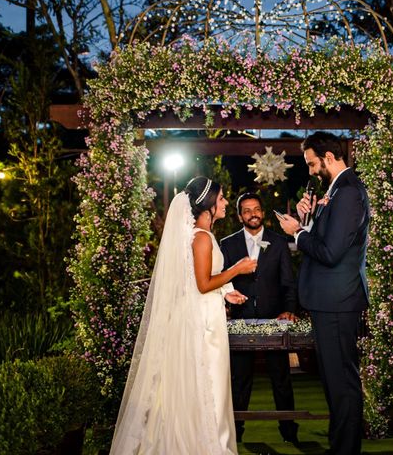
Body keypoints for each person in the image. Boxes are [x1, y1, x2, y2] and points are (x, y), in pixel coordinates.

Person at [110, 176, 257, 455]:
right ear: (209, 205)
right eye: (223, 198)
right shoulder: (201, 237)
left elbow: (196, 282)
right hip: (201, 325)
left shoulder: (201, 235)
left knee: (209, 386)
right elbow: (202, 284)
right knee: (209, 385)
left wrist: (226, 292)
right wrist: (237, 269)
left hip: (206, 315)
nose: (226, 203)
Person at [276, 132, 369, 455]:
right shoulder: (335, 192)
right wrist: (308, 217)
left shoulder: (348, 193)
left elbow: (329, 253)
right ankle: (339, 447)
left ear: (329, 157)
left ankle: (345, 451)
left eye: (313, 163)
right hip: (327, 301)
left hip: (337, 301)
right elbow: (327, 240)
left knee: (342, 381)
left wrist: (297, 233)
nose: (312, 171)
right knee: (332, 381)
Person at [220, 192, 299, 444]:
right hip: (241, 321)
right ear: (239, 215)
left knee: (281, 378)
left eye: (256, 209)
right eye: (246, 210)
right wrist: (226, 303)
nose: (252, 214)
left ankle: (289, 432)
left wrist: (289, 309)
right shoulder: (228, 244)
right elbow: (222, 280)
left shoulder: (278, 242)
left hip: (275, 320)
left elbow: (288, 281)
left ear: (262, 212)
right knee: (239, 380)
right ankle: (236, 433)